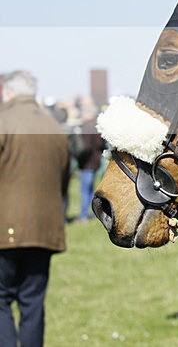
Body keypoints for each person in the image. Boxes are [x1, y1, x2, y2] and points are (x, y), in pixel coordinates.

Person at [0, 70, 70, 347]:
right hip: (44, 228)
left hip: (5, 227)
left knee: (2, 299)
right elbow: (63, 180)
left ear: (8, 91)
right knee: (32, 301)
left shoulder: (4, 120)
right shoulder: (54, 127)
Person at [75, 105, 105, 222]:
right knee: (91, 189)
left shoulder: (87, 126)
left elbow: (85, 147)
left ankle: (83, 215)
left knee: (84, 190)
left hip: (87, 162)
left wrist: (78, 156)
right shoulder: (97, 126)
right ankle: (93, 213)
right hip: (96, 161)